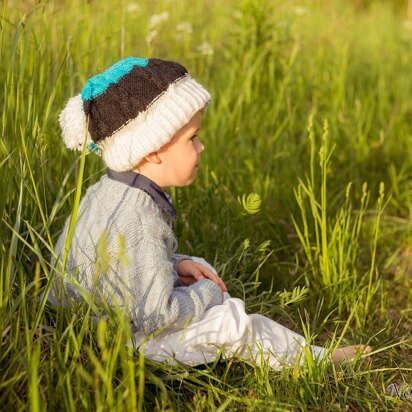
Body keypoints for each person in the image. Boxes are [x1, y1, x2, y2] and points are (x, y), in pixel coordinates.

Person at [49, 56, 371, 369]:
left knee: (196, 274)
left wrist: (176, 265)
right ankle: (315, 360)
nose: (201, 147)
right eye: (193, 138)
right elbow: (157, 315)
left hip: (85, 325)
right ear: (153, 150)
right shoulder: (139, 216)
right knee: (230, 321)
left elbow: (121, 266)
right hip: (118, 342)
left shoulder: (109, 191)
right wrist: (207, 294)